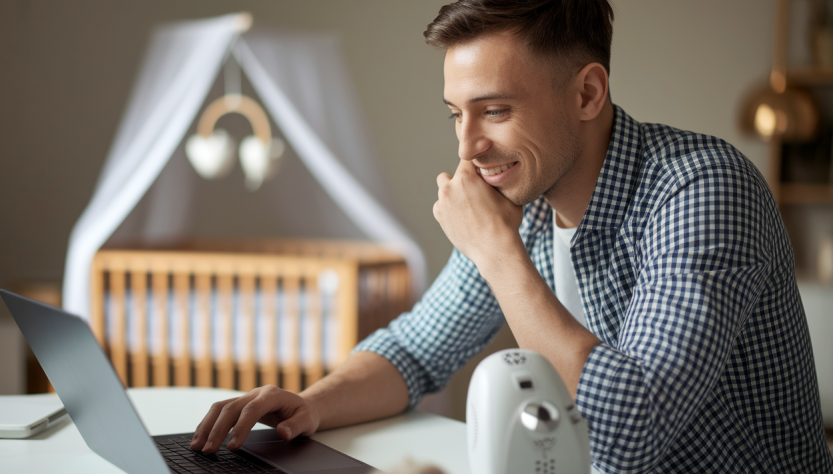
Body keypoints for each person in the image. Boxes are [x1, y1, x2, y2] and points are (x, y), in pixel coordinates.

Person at [190, 1, 833, 471]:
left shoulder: (702, 188)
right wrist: (309, 404)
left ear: (587, 92)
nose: (468, 147)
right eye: (456, 114)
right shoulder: (518, 193)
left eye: (495, 110)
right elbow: (416, 351)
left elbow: (627, 433)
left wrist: (499, 254)